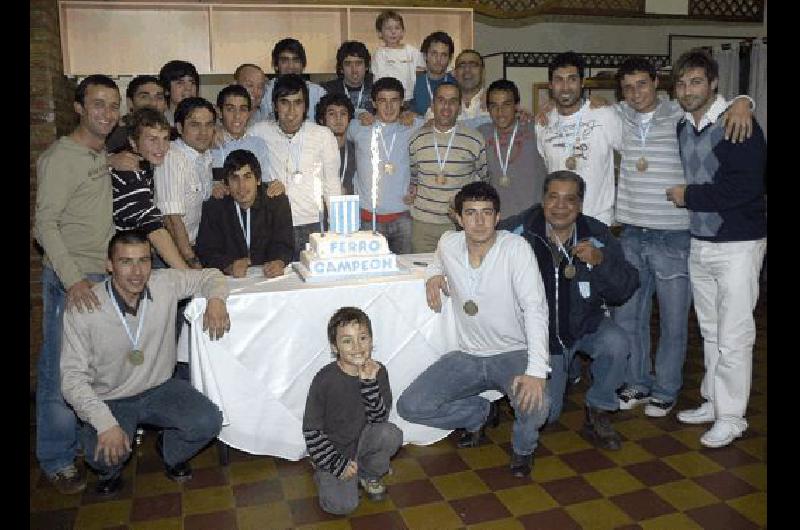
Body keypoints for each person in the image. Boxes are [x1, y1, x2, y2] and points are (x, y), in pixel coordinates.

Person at [611, 56, 754, 418]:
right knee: (631, 318)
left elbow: (715, 102)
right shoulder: (619, 115)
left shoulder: (680, 111)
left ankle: (666, 388)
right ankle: (637, 382)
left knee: (674, 321)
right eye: (627, 87)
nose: (635, 93)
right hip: (629, 231)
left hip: (673, 234)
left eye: (642, 84)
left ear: (657, 83)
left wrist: (744, 102)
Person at [60, 230, 230, 496]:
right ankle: (110, 470)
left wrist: (216, 300)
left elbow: (212, 275)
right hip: (111, 398)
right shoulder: (85, 309)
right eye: (126, 261)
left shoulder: (164, 284)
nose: (137, 271)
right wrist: (104, 422)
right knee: (103, 455)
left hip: (160, 387)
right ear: (109, 265)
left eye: (144, 260)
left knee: (208, 420)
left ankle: (170, 451)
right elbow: (71, 379)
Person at [398, 182, 549, 477]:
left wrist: (536, 371)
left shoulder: (516, 249)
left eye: (486, 213)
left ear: (497, 216)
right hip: (468, 356)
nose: (479, 221)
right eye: (470, 213)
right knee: (410, 406)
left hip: (512, 353)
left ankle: (523, 449)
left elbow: (536, 309)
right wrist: (432, 275)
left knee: (538, 405)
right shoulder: (448, 243)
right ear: (458, 218)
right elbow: (437, 261)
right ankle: (480, 412)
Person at [665, 49, 767, 448]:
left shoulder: (737, 122)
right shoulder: (683, 126)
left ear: (713, 84)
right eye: (682, 83)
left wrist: (689, 195)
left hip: (738, 244)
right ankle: (713, 400)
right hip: (701, 240)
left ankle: (732, 417)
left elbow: (747, 188)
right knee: (709, 329)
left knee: (735, 334)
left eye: (696, 81)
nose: (688, 89)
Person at [501, 171, 639, 450]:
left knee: (617, 343)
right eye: (553, 197)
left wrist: (601, 262)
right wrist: (437, 270)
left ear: (580, 204)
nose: (560, 206)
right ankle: (560, 370)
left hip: (583, 326)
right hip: (542, 339)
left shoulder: (597, 234)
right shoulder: (518, 230)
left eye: (570, 199)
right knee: (547, 417)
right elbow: (476, 241)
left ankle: (598, 408)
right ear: (542, 200)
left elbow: (624, 289)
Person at [33, 74, 120, 494]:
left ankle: (84, 444)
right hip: (73, 281)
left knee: (91, 370)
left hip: (100, 277)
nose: (108, 113)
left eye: (113, 105)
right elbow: (43, 225)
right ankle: (56, 457)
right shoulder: (61, 157)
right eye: (98, 104)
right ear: (80, 108)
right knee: (58, 371)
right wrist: (72, 281)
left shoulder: (96, 156)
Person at [303, 306, 403, 514]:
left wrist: (369, 384)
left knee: (391, 433)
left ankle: (367, 473)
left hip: (364, 443)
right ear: (334, 346)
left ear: (371, 340)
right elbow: (312, 431)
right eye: (347, 340)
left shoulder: (378, 372)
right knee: (342, 506)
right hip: (334, 450)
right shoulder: (325, 379)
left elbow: (379, 420)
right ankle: (323, 470)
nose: (357, 347)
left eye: (363, 338)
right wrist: (336, 464)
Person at [250, 74, 341, 260]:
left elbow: (332, 185)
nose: (291, 111)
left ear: (305, 106)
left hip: (314, 226)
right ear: (275, 105)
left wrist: (337, 230)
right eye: (284, 102)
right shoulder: (258, 132)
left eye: (298, 103)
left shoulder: (323, 135)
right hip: (273, 226)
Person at [535, 51, 622, 226]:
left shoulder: (604, 115)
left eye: (572, 79)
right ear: (551, 85)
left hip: (598, 220)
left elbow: (631, 156)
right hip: (558, 222)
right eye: (559, 80)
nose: (565, 87)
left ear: (582, 82)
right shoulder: (542, 124)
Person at [346, 77, 424, 254]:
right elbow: (337, 118)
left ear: (402, 102)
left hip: (403, 217)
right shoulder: (358, 127)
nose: (389, 107)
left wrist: (414, 114)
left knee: (405, 274)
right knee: (371, 277)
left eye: (394, 100)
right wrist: (359, 113)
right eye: (382, 101)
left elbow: (438, 122)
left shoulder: (413, 126)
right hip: (367, 218)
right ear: (373, 103)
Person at [408, 82, 487, 253]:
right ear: (432, 104)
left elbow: (484, 182)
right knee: (424, 276)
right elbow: (413, 177)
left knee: (459, 278)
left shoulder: (474, 140)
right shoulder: (416, 139)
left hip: (459, 224)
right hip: (423, 225)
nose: (446, 107)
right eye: (441, 100)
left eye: (452, 101)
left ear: (459, 107)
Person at [196, 149, 294, 277]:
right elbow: (207, 250)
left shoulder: (276, 201)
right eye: (234, 178)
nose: (241, 186)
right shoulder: (215, 205)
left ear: (258, 180)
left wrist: (279, 262)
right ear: (226, 183)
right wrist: (229, 266)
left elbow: (284, 242)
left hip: (268, 276)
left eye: (247, 177)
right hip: (230, 279)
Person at [111, 108, 188, 269]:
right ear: (133, 142)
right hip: (120, 261)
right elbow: (155, 230)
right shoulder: (131, 173)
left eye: (165, 139)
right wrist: (189, 275)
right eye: (152, 139)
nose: (161, 147)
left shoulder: (143, 166)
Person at [154, 97, 218, 269]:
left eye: (209, 125)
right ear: (180, 128)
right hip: (169, 254)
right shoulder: (172, 157)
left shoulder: (205, 156)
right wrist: (190, 259)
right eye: (195, 125)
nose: (203, 132)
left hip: (193, 246)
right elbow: (171, 219)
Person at [478, 79, 548, 221]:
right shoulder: (480, 134)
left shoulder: (536, 129)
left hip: (533, 220)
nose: (500, 112)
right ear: (487, 108)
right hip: (496, 221)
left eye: (506, 105)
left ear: (517, 105)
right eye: (494, 106)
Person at [259, 38, 327, 123]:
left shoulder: (318, 93)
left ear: (303, 65)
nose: (291, 66)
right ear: (276, 65)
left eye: (296, 60)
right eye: (285, 60)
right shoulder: (265, 92)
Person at [210, 84, 269, 178]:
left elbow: (263, 181)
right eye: (230, 109)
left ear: (249, 113)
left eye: (243, 109)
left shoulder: (258, 145)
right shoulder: (211, 143)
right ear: (219, 112)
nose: (237, 116)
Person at [370, 10, 425, 102]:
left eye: (397, 28)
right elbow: (379, 80)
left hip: (410, 98)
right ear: (380, 33)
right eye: (388, 28)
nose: (393, 32)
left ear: (403, 32)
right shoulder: (379, 54)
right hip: (389, 99)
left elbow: (423, 70)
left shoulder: (411, 51)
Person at [106, 75, 167, 153]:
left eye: (159, 97)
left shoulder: (173, 134)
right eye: (144, 97)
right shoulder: (117, 135)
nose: (153, 103)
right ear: (130, 102)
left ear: (165, 104)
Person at [316, 93, 357, 195]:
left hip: (350, 208)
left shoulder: (358, 151)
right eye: (331, 113)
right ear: (321, 119)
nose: (338, 118)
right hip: (319, 208)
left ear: (349, 119)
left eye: (343, 113)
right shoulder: (313, 152)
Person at [321, 41, 375, 115]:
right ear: (341, 69)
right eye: (348, 64)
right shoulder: (326, 91)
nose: (354, 70)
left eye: (358, 63)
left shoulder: (376, 89)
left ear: (366, 66)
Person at [411, 31, 456, 116]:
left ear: (450, 59)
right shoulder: (413, 83)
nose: (439, 59)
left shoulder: (456, 83)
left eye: (444, 55)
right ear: (425, 56)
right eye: (434, 54)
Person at [449, 50, 491, 128]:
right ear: (454, 73)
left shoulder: (495, 104)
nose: (467, 70)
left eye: (473, 65)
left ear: (483, 72)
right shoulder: (443, 106)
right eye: (462, 65)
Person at [159, 60, 200, 127]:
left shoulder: (208, 118)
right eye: (180, 83)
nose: (188, 88)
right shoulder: (160, 121)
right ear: (166, 90)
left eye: (192, 82)